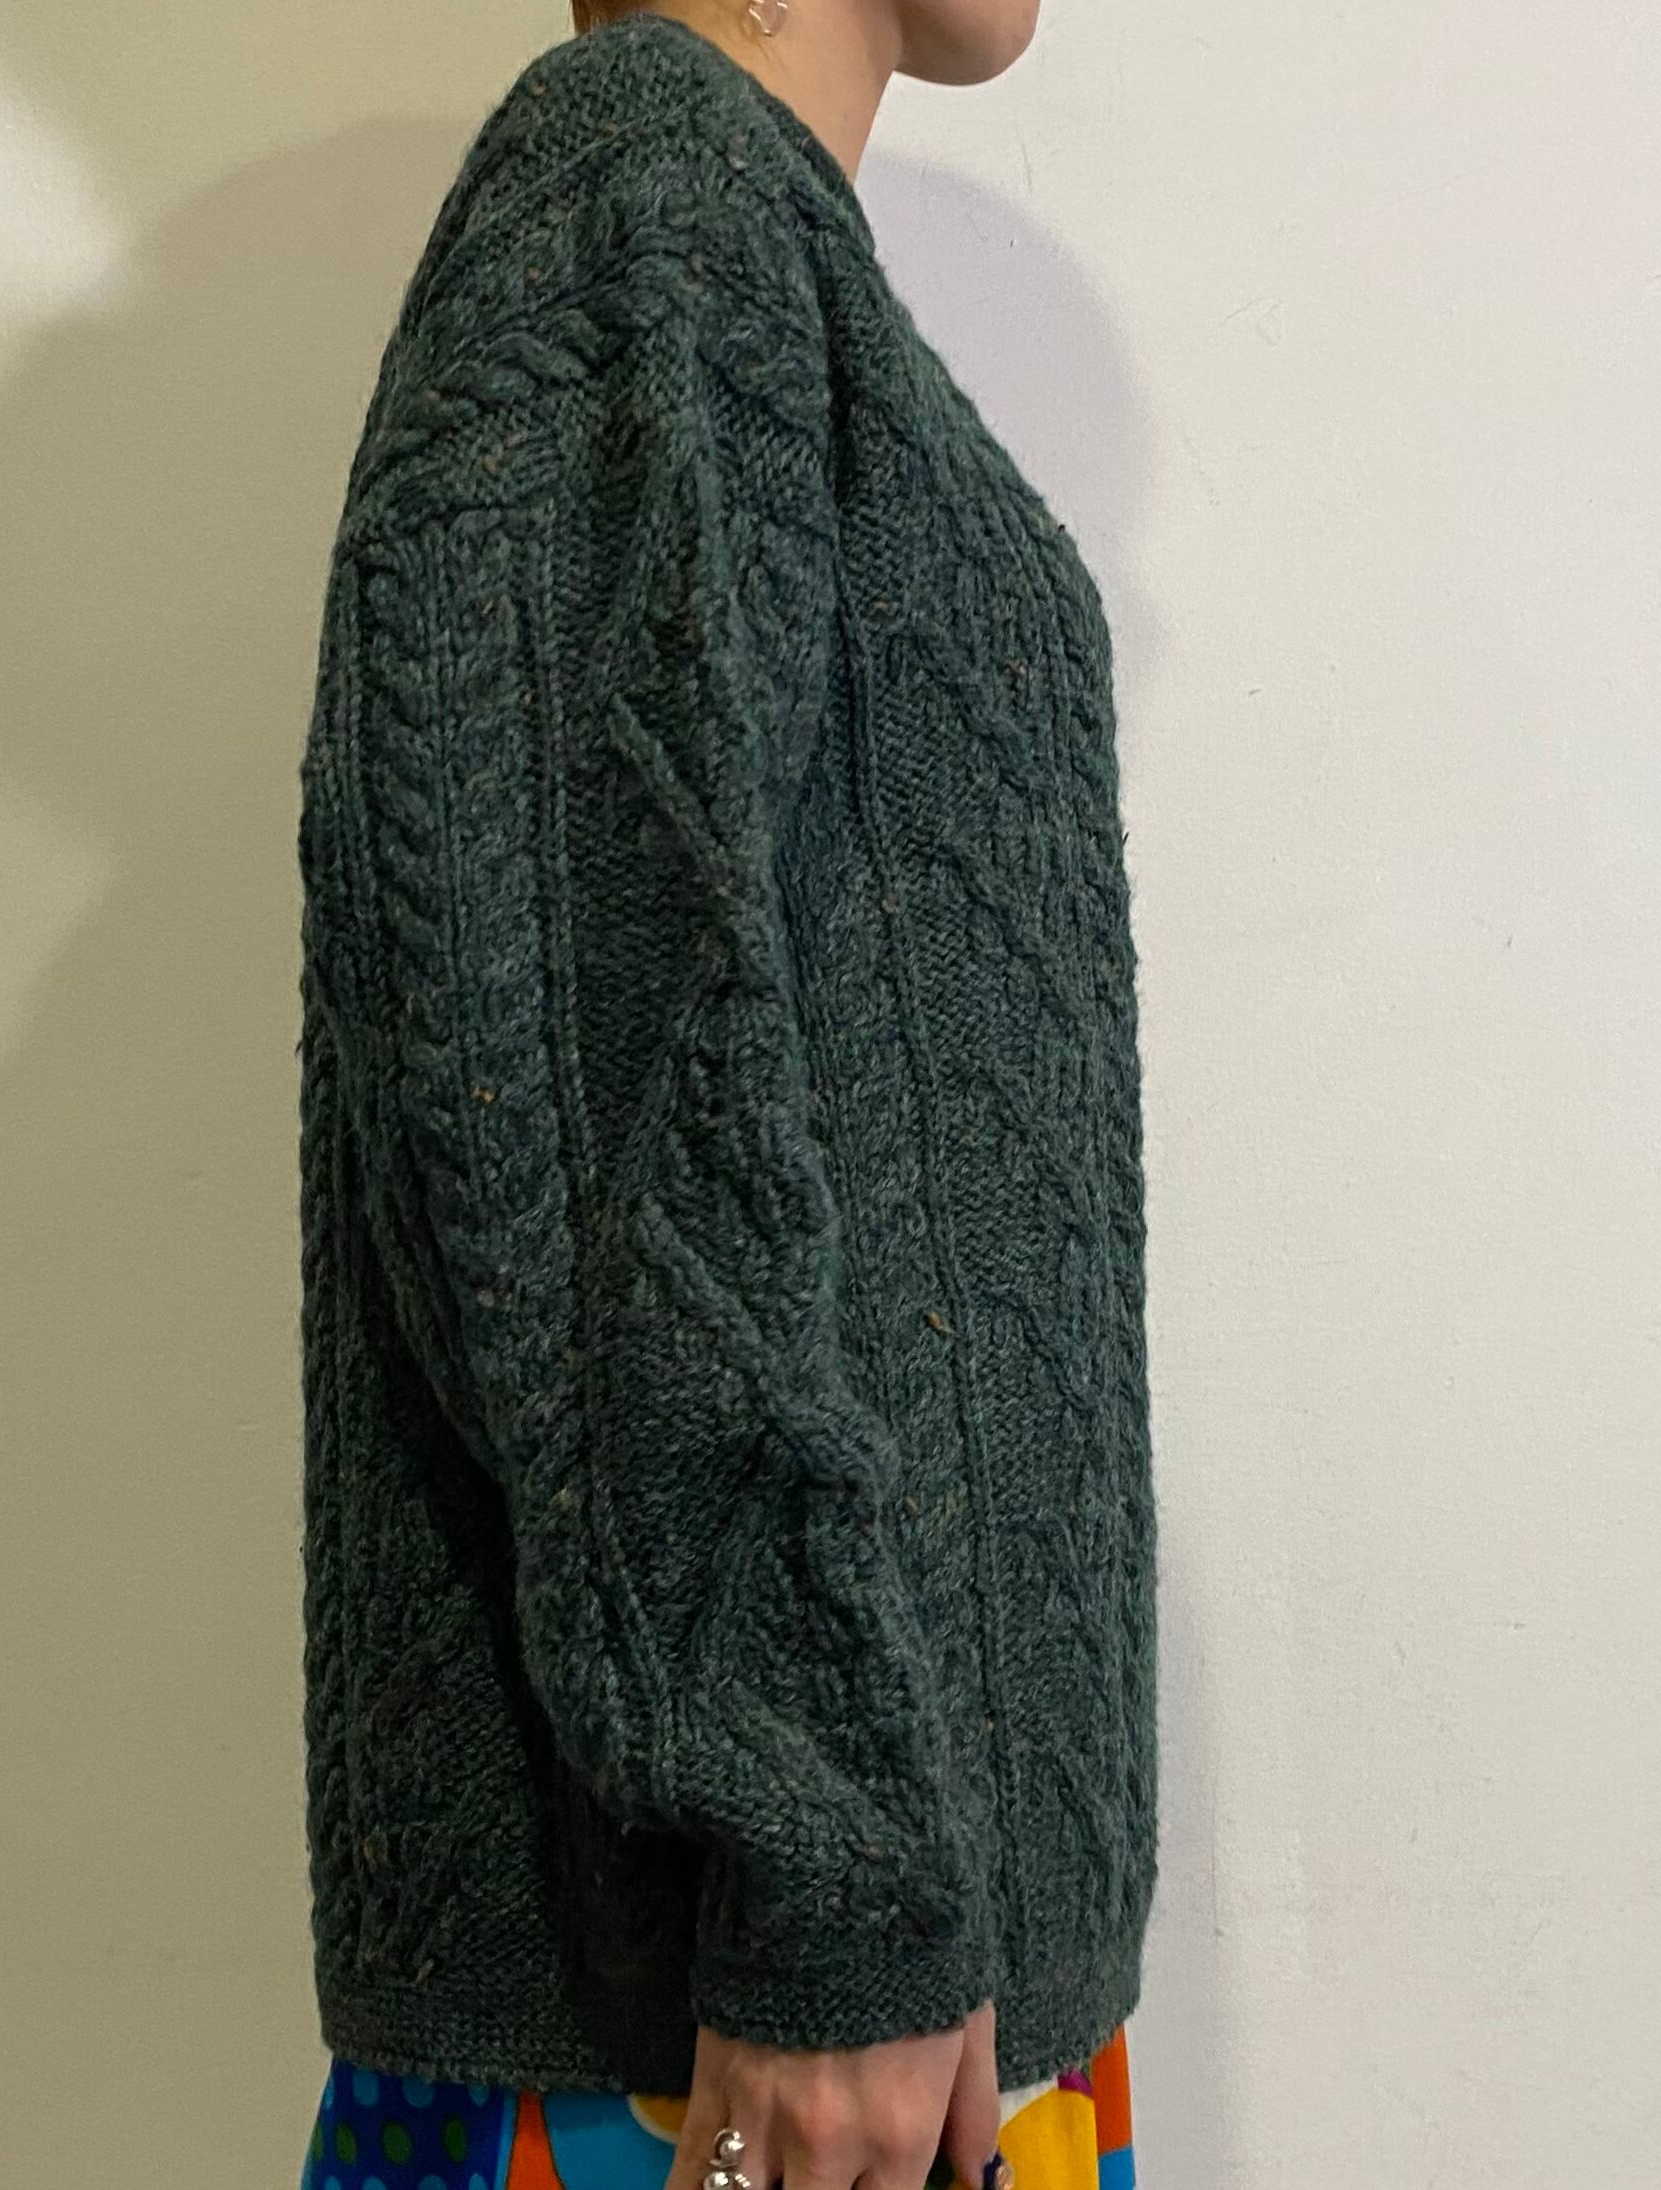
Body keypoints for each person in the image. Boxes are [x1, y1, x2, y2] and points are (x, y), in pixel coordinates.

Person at [293, 3, 1155, 2186]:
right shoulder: (641, 195)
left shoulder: (732, 242)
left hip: (871, 2007)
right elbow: (578, 1094)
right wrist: (823, 1867)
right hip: (742, 2029)